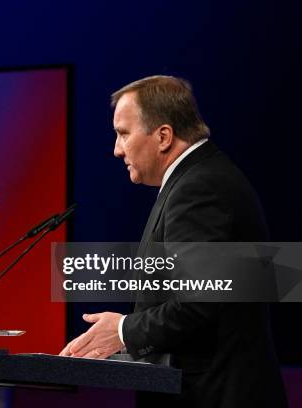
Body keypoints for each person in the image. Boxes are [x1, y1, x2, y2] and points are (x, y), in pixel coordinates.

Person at [59, 75, 287, 407]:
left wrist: (123, 330)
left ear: (164, 136)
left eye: (123, 134)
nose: (116, 149)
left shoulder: (199, 187)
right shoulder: (199, 178)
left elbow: (198, 302)